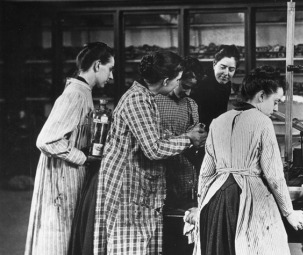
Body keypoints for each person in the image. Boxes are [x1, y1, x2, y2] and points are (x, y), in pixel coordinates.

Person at [93, 51, 207, 254]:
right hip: (127, 192)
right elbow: (154, 148)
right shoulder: (137, 100)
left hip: (140, 190)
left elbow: (160, 134)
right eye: (178, 80)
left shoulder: (148, 98)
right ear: (165, 80)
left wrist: (188, 136)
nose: (179, 85)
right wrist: (188, 138)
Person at [192, 66, 303, 255]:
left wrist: (200, 206)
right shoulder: (262, 121)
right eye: (276, 101)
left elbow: (206, 172)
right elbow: (274, 175)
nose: (276, 108)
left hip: (216, 202)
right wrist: (289, 213)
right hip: (245, 199)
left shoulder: (218, 121)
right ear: (261, 96)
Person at [25, 42, 114, 255]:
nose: (111, 77)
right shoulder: (75, 94)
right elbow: (46, 140)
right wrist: (82, 156)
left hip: (69, 177)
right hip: (62, 181)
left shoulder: (82, 91)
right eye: (110, 69)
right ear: (96, 65)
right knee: (57, 239)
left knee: (67, 237)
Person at [156, 56, 206, 208]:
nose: (188, 93)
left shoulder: (191, 105)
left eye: (192, 88)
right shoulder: (153, 100)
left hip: (183, 175)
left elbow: (195, 140)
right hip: (158, 173)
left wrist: (200, 138)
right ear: (176, 79)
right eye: (185, 86)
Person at [190, 44, 241, 129]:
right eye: (223, 67)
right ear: (214, 64)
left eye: (231, 69)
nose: (226, 73)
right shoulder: (201, 84)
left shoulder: (226, 84)